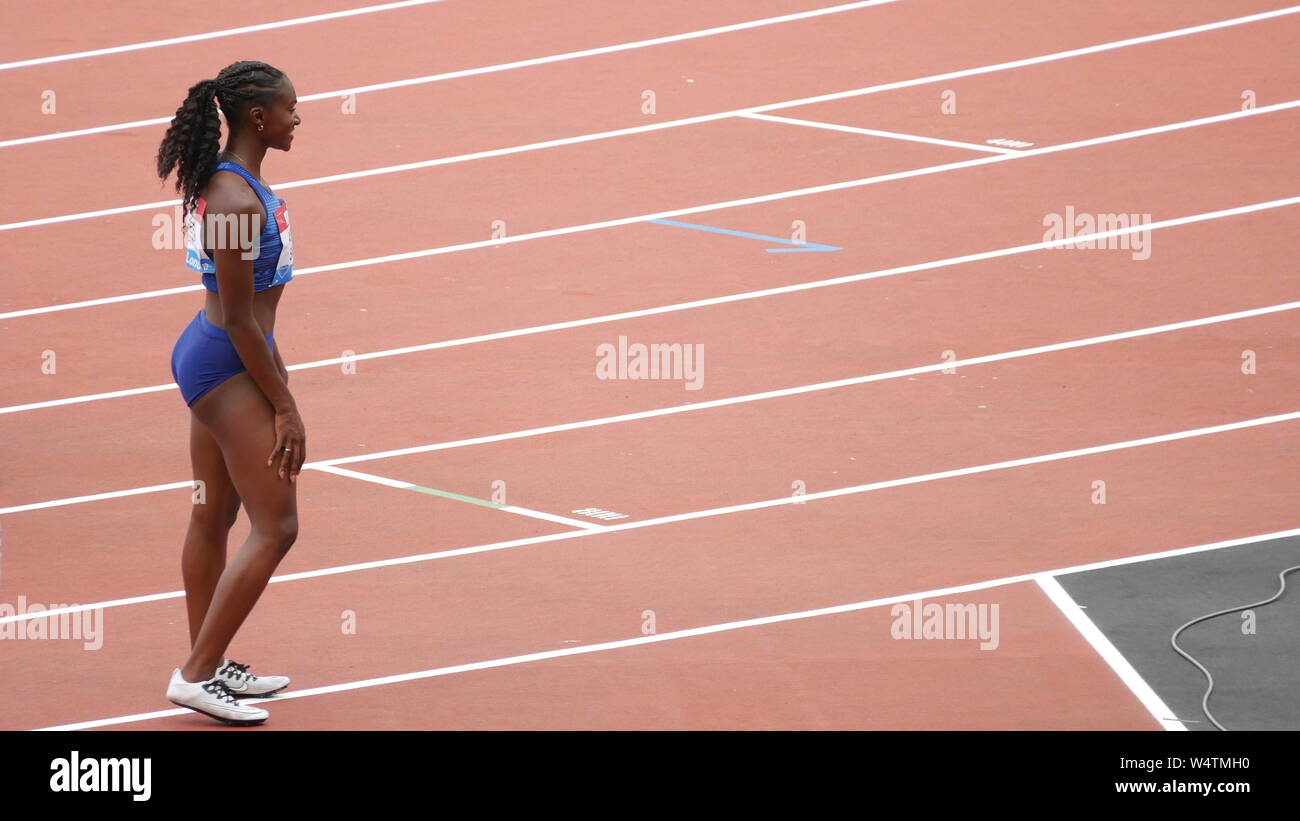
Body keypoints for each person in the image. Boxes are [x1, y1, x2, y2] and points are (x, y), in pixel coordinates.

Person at [157, 60, 304, 725]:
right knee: (277, 524)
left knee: (212, 515)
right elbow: (244, 319)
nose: (297, 118)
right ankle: (194, 673)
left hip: (218, 352)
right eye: (290, 109)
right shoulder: (236, 200)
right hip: (225, 361)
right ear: (257, 119)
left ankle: (209, 663)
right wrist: (285, 405)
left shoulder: (233, 184)